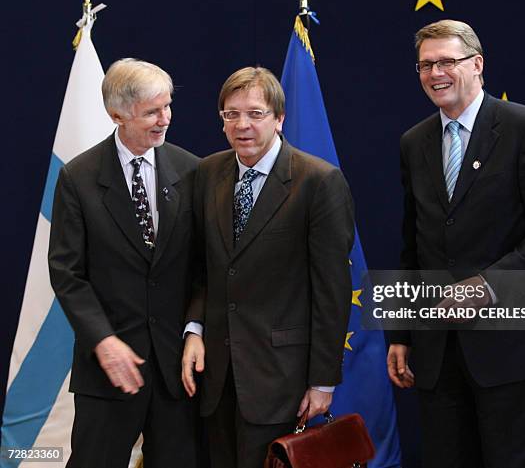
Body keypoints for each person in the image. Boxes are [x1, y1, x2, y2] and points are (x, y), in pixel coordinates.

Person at [386, 20, 525, 467]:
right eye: (426, 65)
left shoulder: (523, 128)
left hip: (508, 348)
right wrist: (401, 332)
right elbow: (413, 243)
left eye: (447, 61)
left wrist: (484, 286)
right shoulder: (414, 142)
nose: (436, 74)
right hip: (436, 352)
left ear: (477, 64)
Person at [181, 66, 355, 468]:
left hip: (283, 380)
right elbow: (204, 269)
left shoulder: (318, 181)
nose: (242, 125)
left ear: (279, 119)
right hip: (217, 378)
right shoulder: (208, 173)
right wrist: (194, 328)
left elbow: (331, 289)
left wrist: (322, 380)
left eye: (255, 114)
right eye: (231, 114)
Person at [48, 58, 200, 468]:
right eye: (152, 111)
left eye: (167, 106)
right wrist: (103, 339)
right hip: (108, 370)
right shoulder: (78, 178)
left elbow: (206, 268)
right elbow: (67, 273)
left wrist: (195, 329)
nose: (164, 119)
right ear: (117, 114)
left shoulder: (192, 171)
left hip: (177, 373)